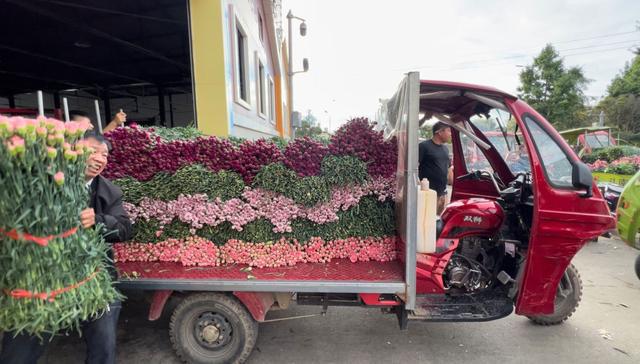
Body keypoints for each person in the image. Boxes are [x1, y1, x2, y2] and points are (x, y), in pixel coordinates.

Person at [0, 132, 133, 364]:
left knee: (103, 344)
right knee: (20, 347)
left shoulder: (109, 192)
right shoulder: (42, 181)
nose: (100, 159)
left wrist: (99, 221)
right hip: (44, 279)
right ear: (71, 151)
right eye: (93, 151)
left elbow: (125, 229)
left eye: (104, 155)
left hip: (93, 278)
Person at [419, 122, 453, 214]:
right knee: (428, 219)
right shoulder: (424, 146)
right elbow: (414, 167)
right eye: (449, 131)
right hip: (429, 193)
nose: (451, 134)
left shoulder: (445, 149)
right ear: (439, 132)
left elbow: (449, 168)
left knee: (438, 220)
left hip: (443, 193)